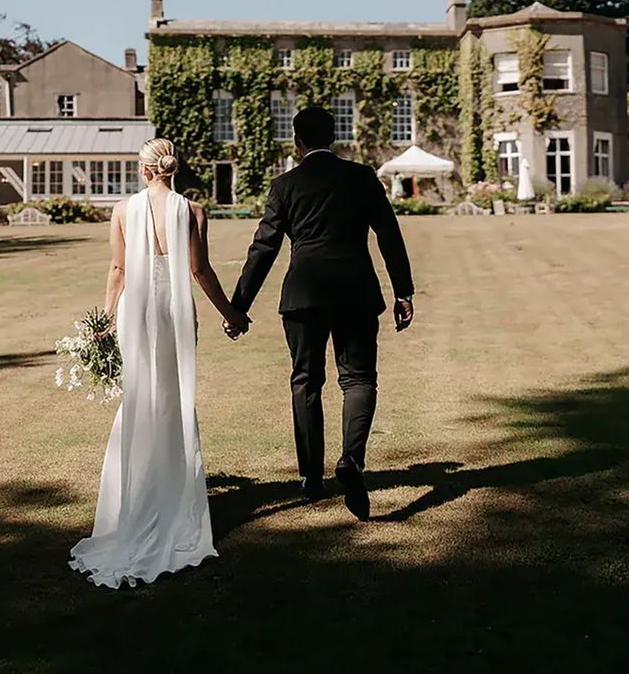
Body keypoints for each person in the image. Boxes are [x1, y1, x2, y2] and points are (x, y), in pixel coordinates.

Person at [69, 138, 250, 588]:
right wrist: (232, 315)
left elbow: (118, 271)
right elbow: (200, 271)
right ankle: (170, 497)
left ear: (145, 169)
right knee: (172, 398)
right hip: (174, 311)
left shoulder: (122, 210)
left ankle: (137, 499)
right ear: (173, 168)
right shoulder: (193, 210)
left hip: (137, 309)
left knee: (140, 397)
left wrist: (105, 321)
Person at [227, 106, 414, 521]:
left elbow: (264, 248)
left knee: (306, 381)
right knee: (358, 379)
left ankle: (311, 477)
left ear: (298, 142)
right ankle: (351, 460)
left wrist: (238, 307)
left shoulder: (285, 185)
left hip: (303, 295)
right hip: (356, 291)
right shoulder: (362, 177)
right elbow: (389, 233)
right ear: (334, 137)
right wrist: (403, 291)